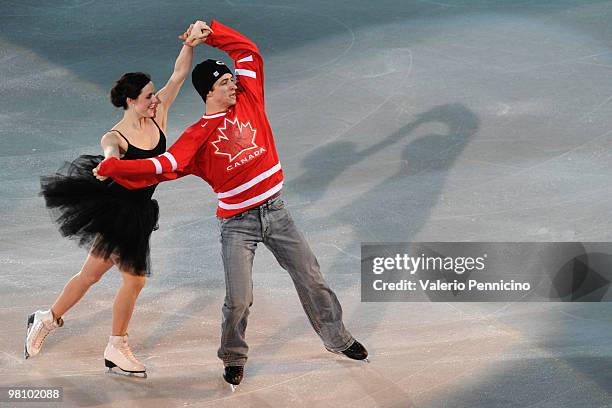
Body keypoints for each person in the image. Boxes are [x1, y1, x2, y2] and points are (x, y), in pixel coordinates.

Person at [95, 19, 368, 388]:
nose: (233, 84)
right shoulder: (196, 136)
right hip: (237, 224)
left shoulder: (250, 98)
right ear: (210, 92)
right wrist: (116, 166)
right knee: (239, 299)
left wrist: (210, 33)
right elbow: (164, 166)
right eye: (225, 83)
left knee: (312, 277)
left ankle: (338, 339)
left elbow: (248, 53)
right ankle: (234, 357)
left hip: (276, 211)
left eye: (232, 80)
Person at [25, 23, 210, 377]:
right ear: (130, 101)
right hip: (119, 212)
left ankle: (46, 318)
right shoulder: (117, 136)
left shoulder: (160, 113)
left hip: (140, 210)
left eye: (154, 95)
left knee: (90, 275)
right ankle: (116, 344)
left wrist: (191, 44)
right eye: (148, 98)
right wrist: (108, 165)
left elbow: (179, 74)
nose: (155, 100)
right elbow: (109, 152)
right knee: (135, 280)